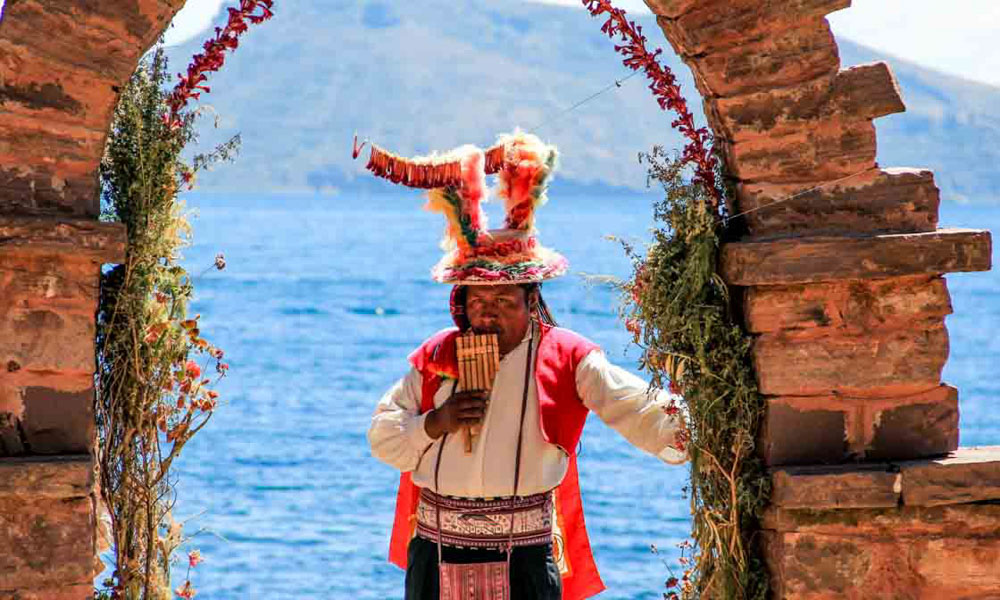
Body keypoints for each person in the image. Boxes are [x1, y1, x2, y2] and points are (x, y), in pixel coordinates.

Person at [365, 132, 687, 600]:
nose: (488, 312)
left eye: (503, 299)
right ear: (462, 303)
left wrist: (701, 430)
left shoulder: (569, 358)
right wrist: (437, 422)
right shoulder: (436, 356)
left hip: (526, 562)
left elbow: (634, 407)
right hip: (435, 556)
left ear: (531, 300)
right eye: (478, 300)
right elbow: (383, 438)